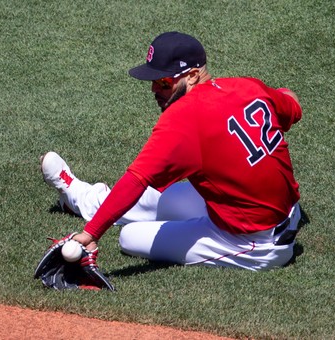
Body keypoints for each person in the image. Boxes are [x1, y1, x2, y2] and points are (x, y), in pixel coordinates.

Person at [40, 31, 303, 271]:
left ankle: (88, 208)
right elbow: (293, 104)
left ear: (193, 75)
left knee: (130, 237)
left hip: (255, 243)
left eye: (164, 82)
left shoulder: (184, 118)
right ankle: (78, 197)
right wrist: (274, 94)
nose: (155, 89)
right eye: (153, 81)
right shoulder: (248, 87)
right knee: (161, 197)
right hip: (285, 211)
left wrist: (90, 235)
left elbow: (136, 179)